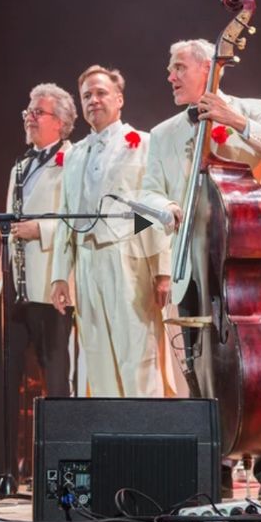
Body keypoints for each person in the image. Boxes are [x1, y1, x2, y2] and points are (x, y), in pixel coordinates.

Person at [141, 38, 261, 500]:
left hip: (244, 259)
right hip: (191, 263)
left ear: (210, 68)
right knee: (198, 365)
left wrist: (238, 122)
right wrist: (166, 205)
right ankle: (216, 467)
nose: (169, 76)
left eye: (178, 68)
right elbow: (148, 189)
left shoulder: (252, 107)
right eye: (169, 69)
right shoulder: (163, 132)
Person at [50, 65, 167, 397]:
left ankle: (147, 440)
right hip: (87, 261)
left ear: (119, 99)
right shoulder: (73, 155)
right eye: (87, 95)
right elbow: (65, 215)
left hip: (128, 258)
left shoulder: (143, 143)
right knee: (98, 357)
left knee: (137, 353)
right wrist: (61, 274)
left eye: (101, 93)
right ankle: (113, 442)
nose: (93, 100)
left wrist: (162, 269)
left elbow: (157, 206)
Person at [0, 83, 76, 482]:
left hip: (50, 285)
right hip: (14, 286)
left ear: (61, 122)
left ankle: (55, 465)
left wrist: (40, 229)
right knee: (3, 378)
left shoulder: (73, 160)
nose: (29, 116)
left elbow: (77, 219)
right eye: (28, 109)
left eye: (38, 111)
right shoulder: (20, 165)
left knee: (56, 378)